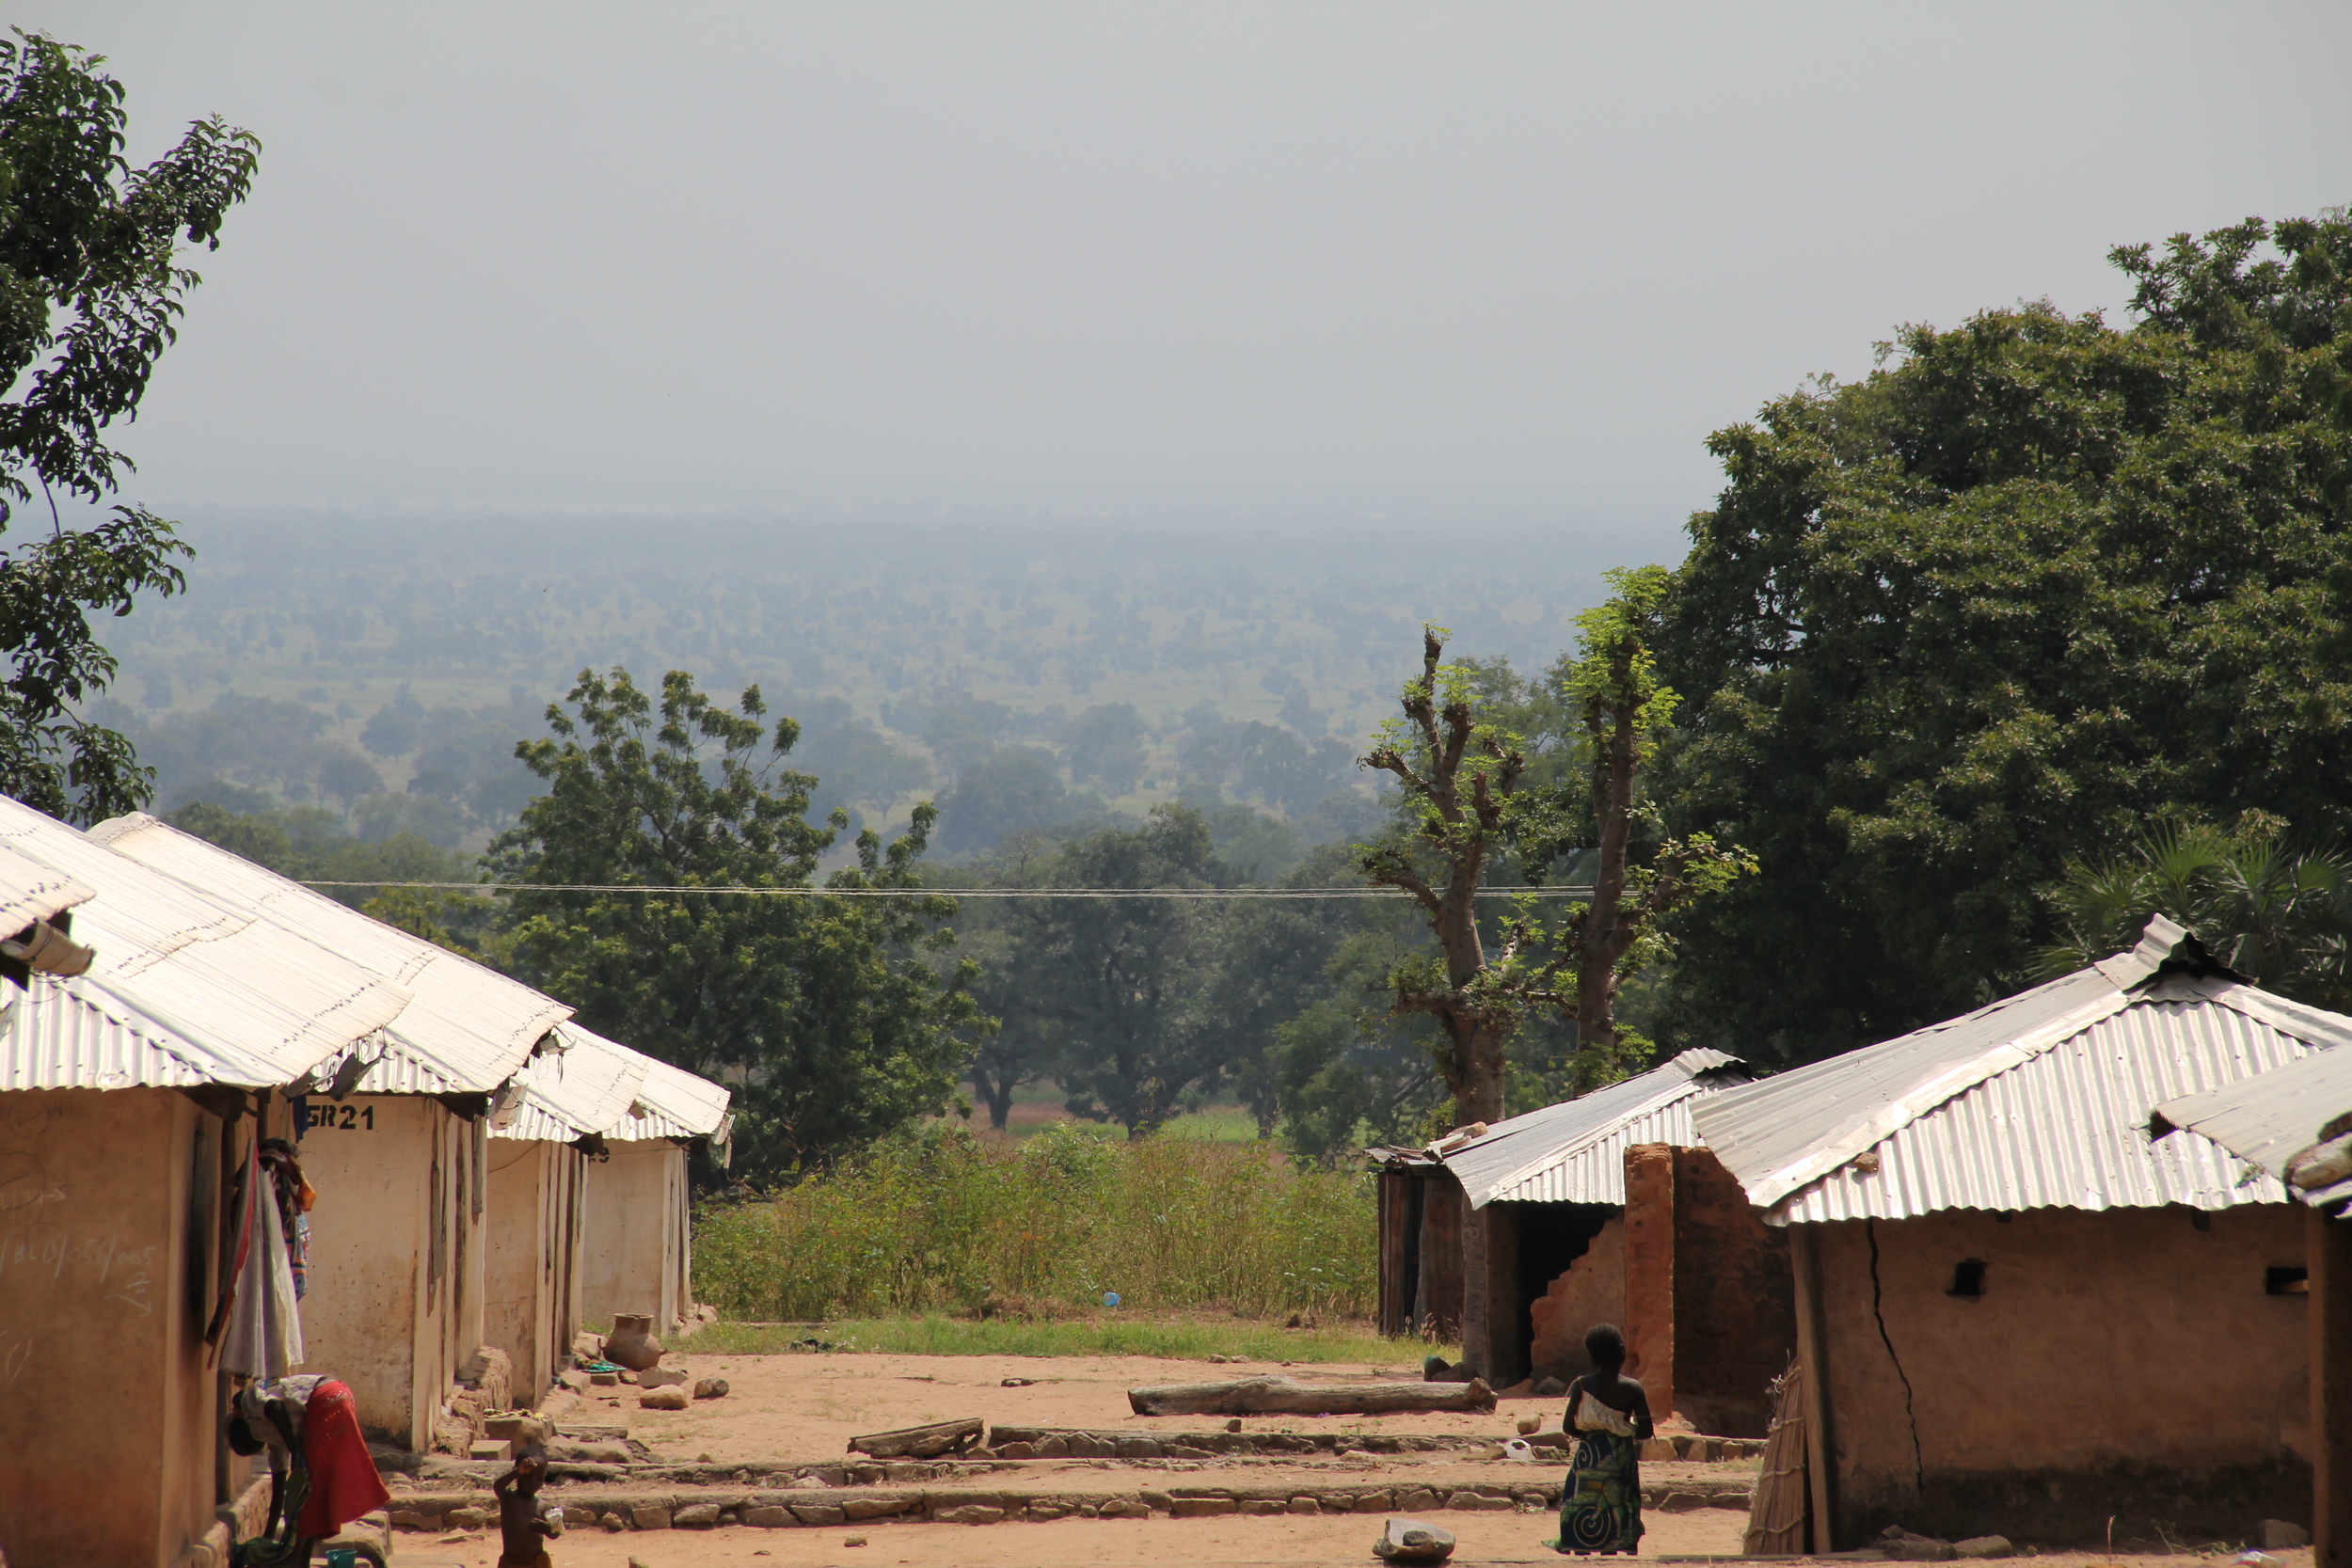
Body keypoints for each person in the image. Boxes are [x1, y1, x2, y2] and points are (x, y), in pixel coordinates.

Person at [1556, 1323, 1653, 1555]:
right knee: (1619, 1504)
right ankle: (1615, 1548)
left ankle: (1581, 1547)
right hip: (1621, 1462)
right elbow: (1646, 1431)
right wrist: (1619, 1433)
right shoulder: (1633, 1388)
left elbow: (1568, 1426)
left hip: (1588, 1458)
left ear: (1593, 1355)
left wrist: (1594, 1437)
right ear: (1620, 1351)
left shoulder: (1582, 1385)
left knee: (1584, 1503)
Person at [493, 1438, 562, 1568]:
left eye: (539, 1478)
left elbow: (558, 1531)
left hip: (537, 1562)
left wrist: (548, 1529)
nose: (533, 1482)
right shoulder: (508, 1498)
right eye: (527, 1476)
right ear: (518, 1473)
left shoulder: (546, 1505)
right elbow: (498, 1486)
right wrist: (517, 1471)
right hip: (511, 1562)